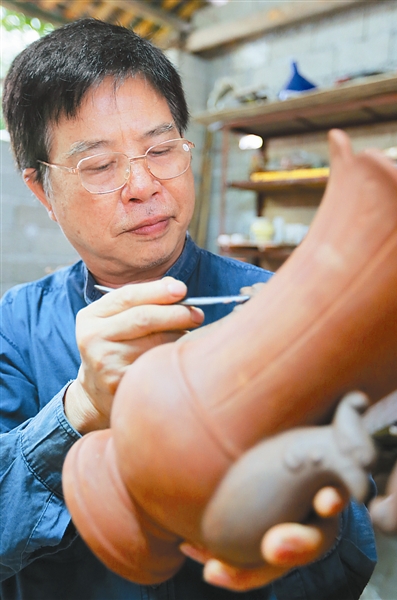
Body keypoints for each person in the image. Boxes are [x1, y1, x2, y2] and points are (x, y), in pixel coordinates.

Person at [0, 18, 376, 600]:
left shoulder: (277, 304)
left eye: (160, 149)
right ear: (41, 189)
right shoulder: (16, 327)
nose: (144, 184)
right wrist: (81, 409)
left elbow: (354, 544)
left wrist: (307, 513)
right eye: (99, 166)